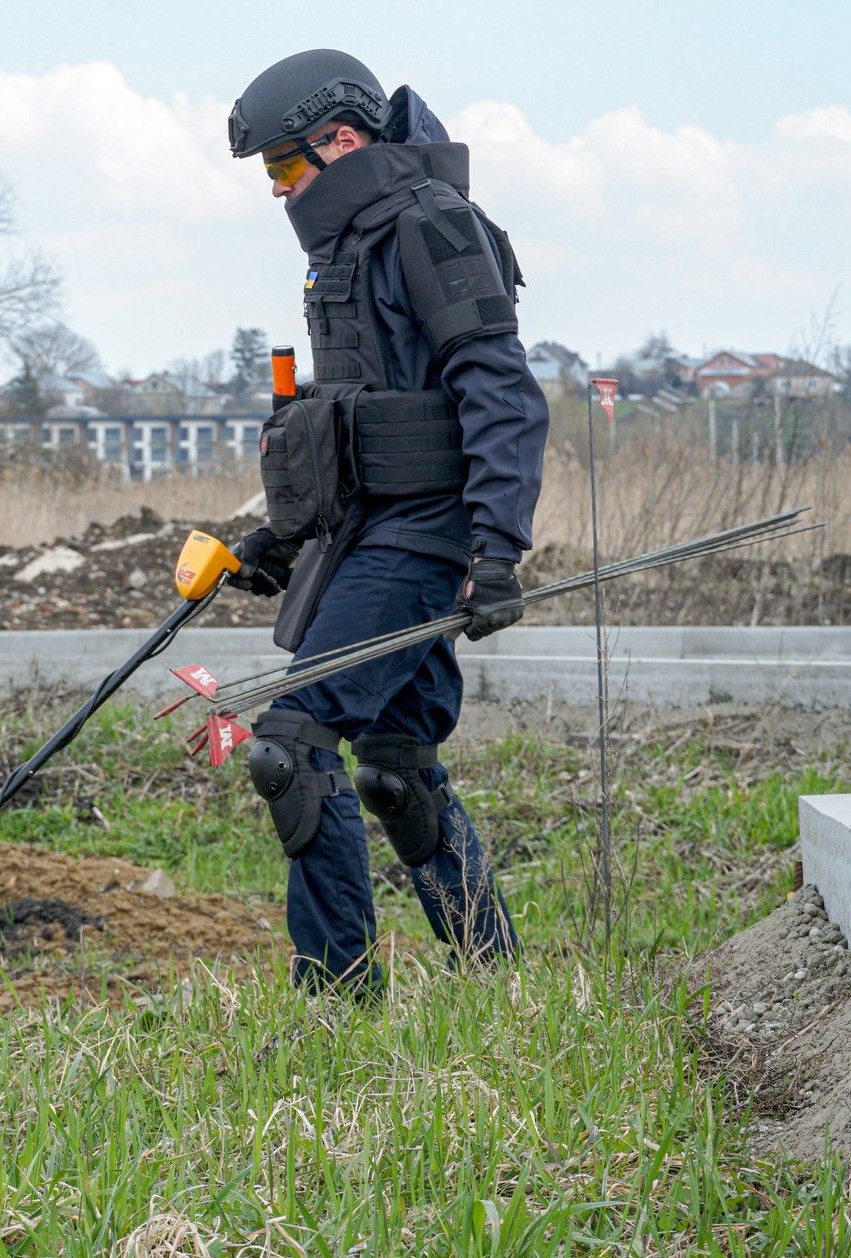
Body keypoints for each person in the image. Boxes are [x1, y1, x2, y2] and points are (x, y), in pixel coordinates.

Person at [224, 50, 547, 994]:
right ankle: (496, 975)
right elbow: (349, 418)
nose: (279, 190)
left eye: (284, 168)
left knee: (293, 744)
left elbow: (503, 394)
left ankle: (336, 995)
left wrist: (498, 548)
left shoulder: (431, 227)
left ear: (344, 140)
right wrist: (281, 539)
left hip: (427, 536)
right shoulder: (351, 248)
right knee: (396, 764)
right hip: (369, 531)